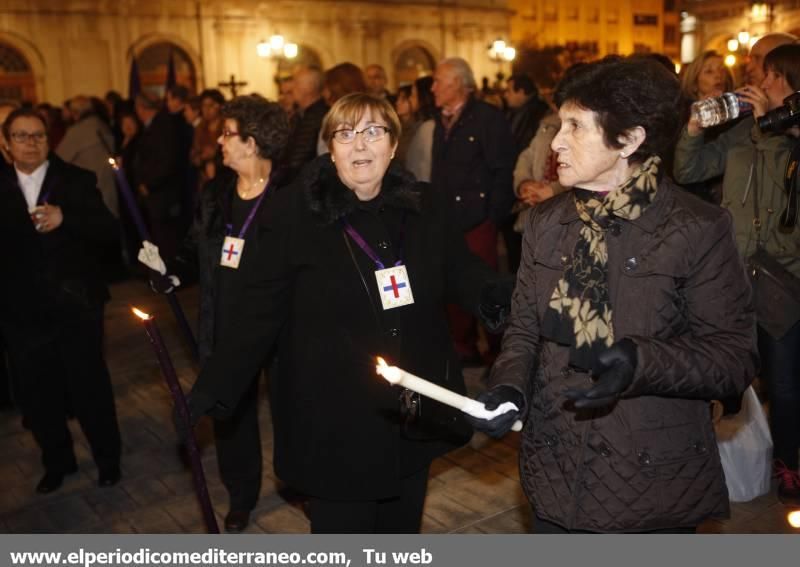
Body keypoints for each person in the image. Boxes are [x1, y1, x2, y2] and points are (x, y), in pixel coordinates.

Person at [186, 93, 512, 533]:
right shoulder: (294, 214)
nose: (360, 145)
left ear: (394, 145)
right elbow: (257, 310)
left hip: (410, 414)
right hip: (335, 421)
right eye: (345, 133)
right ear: (329, 148)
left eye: (374, 131)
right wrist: (211, 388)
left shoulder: (423, 206)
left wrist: (502, 299)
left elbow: (462, 271)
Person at [468, 56, 758, 533]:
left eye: (575, 126)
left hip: (648, 476)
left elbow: (733, 358)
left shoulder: (697, 228)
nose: (556, 141)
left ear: (629, 139)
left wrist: (639, 361)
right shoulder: (546, 222)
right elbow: (523, 329)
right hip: (554, 469)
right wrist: (509, 387)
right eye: (560, 123)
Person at [139, 94, 289, 532]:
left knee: (292, 408)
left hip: (282, 329)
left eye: (227, 134)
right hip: (226, 325)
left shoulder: (289, 194)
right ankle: (241, 496)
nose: (218, 142)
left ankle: (297, 482)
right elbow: (191, 252)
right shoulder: (214, 196)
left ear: (253, 141)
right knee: (231, 416)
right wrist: (168, 270)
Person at [675, 42, 800, 505]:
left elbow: (780, 183)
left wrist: (772, 123)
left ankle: (788, 464)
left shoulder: (790, 138)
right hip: (733, 271)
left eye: (767, 75)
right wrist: (692, 128)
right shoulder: (737, 134)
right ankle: (705, 463)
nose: (758, 83)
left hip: (783, 278)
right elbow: (688, 169)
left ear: (787, 80)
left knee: (785, 383)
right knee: (721, 375)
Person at [0, 107, 122, 494]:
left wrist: (66, 218)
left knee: (89, 387)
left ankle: (108, 460)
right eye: (21, 136)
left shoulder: (75, 180)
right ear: (5, 144)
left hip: (75, 305)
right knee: (38, 393)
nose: (31, 143)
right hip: (22, 311)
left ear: (49, 139)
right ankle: (58, 461)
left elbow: (108, 230)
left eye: (38, 135)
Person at [430, 57, 515, 364]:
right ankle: (463, 346)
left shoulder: (487, 118)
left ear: (457, 83)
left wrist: (493, 216)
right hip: (449, 220)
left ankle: (497, 353)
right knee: (452, 282)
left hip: (478, 220)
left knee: (485, 285)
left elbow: (503, 169)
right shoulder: (441, 120)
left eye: (438, 81)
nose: (433, 87)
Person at [674, 50, 735, 203]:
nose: (718, 75)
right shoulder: (682, 118)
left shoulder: (737, 117)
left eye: (722, 69)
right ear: (694, 84)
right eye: (709, 71)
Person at [283, 67, 328, 182]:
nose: (292, 88)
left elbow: (297, 160)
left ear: (308, 88)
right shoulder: (299, 115)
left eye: (296, 82)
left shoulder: (322, 116)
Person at [404, 76, 436, 182]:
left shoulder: (428, 127)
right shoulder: (420, 124)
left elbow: (425, 167)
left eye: (413, 95)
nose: (410, 99)